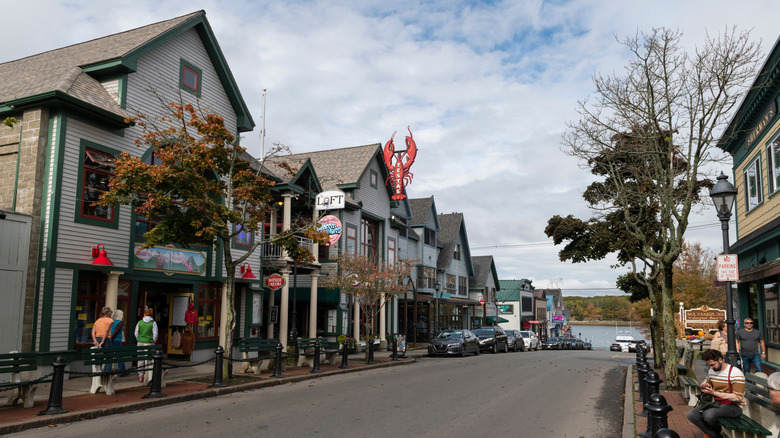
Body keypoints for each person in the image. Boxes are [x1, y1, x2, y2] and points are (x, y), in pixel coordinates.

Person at [687, 349, 745, 438]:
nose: (711, 368)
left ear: (720, 360)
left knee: (708, 415)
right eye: (709, 365)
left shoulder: (735, 373)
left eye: (712, 365)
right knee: (692, 415)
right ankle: (716, 436)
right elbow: (710, 382)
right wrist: (706, 385)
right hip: (717, 403)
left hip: (734, 406)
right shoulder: (712, 370)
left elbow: (738, 397)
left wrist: (714, 393)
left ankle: (714, 434)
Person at [134, 308, 159, 383]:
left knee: (140, 359)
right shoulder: (153, 323)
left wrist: (139, 339)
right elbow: (155, 334)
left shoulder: (139, 322)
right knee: (150, 359)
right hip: (149, 342)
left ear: (144, 314)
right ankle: (150, 375)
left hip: (140, 342)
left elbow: (136, 333)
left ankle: (141, 376)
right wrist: (152, 341)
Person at [109, 309, 128, 376]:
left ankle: (108, 370)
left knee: (110, 356)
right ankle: (121, 371)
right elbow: (116, 331)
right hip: (116, 340)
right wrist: (112, 338)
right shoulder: (119, 323)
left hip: (111, 340)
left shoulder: (112, 321)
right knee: (120, 357)